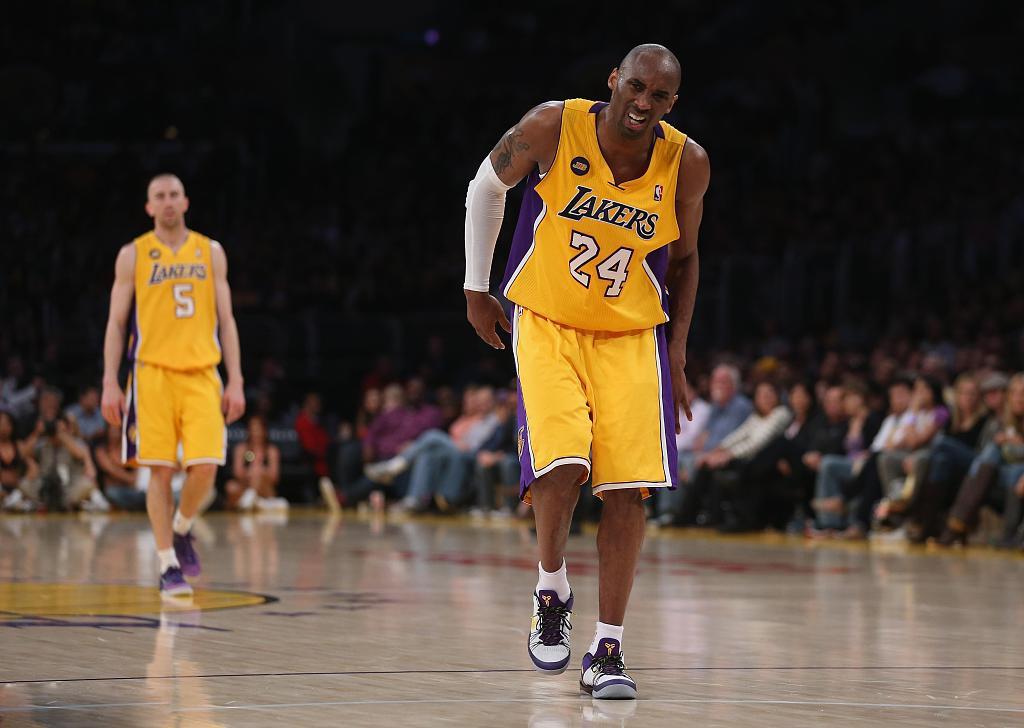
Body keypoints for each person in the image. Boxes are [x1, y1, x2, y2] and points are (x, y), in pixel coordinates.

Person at [463, 44, 708, 699]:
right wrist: (476, 288)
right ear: (614, 80)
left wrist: (677, 348)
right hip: (547, 318)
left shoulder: (686, 162)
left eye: (659, 96)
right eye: (636, 87)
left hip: (631, 333)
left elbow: (686, 259)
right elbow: (486, 186)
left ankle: (607, 648)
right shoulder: (554, 124)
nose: (643, 103)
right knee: (562, 463)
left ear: (672, 103)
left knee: (627, 488)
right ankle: (551, 588)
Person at [100, 173, 245, 598]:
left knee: (206, 466)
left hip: (202, 373)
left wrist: (236, 379)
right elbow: (116, 322)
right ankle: (167, 566)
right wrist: (110, 380)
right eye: (159, 196)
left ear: (185, 202)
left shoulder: (210, 251)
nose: (167, 201)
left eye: (174, 195)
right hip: (152, 375)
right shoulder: (133, 254)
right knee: (159, 471)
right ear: (149, 207)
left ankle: (182, 528)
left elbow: (227, 320)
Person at [225, 415, 284, 511]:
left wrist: (260, 472)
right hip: (245, 484)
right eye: (253, 429)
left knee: (257, 473)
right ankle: (257, 502)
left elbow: (274, 477)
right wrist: (251, 474)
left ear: (264, 431)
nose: (255, 433)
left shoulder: (271, 450)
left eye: (258, 429)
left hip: (264, 487)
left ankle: (250, 500)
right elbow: (237, 472)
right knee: (231, 487)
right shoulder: (241, 449)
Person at [94, 423, 147, 511]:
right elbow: (112, 470)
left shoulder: (128, 449)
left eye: (117, 430)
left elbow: (135, 477)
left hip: (130, 490)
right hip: (111, 491)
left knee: (144, 495)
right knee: (112, 493)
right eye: (112, 430)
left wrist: (117, 465)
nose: (114, 433)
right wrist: (127, 476)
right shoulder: (101, 451)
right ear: (107, 431)